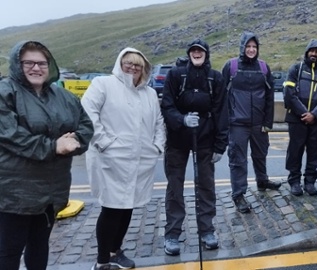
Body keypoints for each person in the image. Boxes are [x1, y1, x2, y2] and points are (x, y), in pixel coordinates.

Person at [0, 40, 93, 270]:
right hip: (14, 193)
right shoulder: (5, 93)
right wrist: (53, 147)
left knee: (40, 245)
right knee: (8, 252)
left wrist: (75, 142)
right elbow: (10, 135)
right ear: (16, 64)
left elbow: (85, 125)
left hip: (52, 191)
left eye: (42, 62)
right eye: (28, 62)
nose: (36, 68)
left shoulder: (64, 96)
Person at [82, 47, 166, 270]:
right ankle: (102, 260)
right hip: (110, 159)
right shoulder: (103, 84)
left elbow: (159, 122)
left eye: (138, 65)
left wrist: (157, 147)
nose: (133, 68)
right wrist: (105, 142)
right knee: (111, 208)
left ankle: (115, 250)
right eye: (128, 63)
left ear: (144, 69)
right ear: (120, 63)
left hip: (140, 161)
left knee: (128, 207)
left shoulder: (148, 94)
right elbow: (88, 114)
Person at [161, 38, 227, 255]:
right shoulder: (175, 75)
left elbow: (221, 112)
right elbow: (167, 105)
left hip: (205, 139)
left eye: (200, 51)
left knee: (206, 185)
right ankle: (172, 234)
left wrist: (220, 145)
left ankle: (207, 230)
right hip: (177, 140)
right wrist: (181, 120)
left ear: (206, 54)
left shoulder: (215, 78)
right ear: (189, 54)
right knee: (175, 187)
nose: (197, 53)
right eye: (193, 51)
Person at [222, 31, 280, 213]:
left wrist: (267, 122)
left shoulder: (263, 68)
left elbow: (270, 96)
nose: (251, 49)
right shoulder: (230, 67)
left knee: (260, 153)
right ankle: (238, 194)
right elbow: (222, 97)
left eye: (254, 47)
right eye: (248, 46)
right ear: (242, 47)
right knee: (238, 160)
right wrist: (225, 122)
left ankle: (262, 181)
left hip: (258, 123)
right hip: (237, 123)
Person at [283, 39, 317, 196]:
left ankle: (310, 181)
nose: (314, 54)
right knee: (295, 152)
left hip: (316, 121)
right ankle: (294, 181)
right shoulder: (295, 69)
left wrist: (314, 115)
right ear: (307, 52)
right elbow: (289, 94)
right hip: (297, 119)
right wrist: (304, 113)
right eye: (312, 51)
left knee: (315, 152)